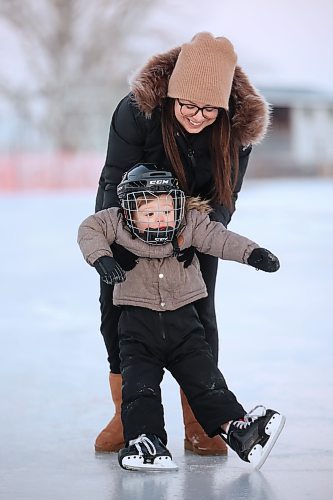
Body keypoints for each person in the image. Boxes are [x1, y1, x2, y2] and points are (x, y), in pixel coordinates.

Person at [94, 31, 270, 455]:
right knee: (117, 313)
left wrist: (206, 233)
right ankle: (126, 416)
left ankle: (200, 423)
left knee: (199, 315)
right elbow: (113, 176)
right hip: (131, 221)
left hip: (195, 226)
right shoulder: (137, 112)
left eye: (210, 109)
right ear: (172, 96)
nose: (197, 116)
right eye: (188, 105)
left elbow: (227, 195)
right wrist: (114, 240)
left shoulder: (236, 130)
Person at [78, 164, 285, 471]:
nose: (160, 219)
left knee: (207, 382)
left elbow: (220, 238)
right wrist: (102, 258)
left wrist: (253, 254)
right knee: (140, 389)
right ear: (129, 213)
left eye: (166, 211)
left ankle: (240, 432)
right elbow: (88, 229)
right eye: (149, 214)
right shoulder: (115, 224)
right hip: (137, 328)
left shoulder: (189, 224)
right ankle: (146, 441)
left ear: (177, 205)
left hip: (185, 326)